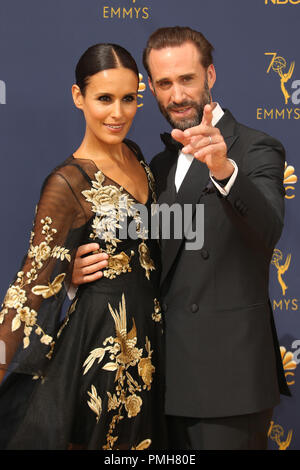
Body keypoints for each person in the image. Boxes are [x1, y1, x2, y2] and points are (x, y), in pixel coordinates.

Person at [72, 27, 291, 450]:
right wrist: (80, 269)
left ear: (210, 75)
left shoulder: (256, 148)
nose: (177, 96)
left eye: (187, 79)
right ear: (150, 87)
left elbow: (268, 227)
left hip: (227, 386)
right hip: (158, 382)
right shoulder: (156, 162)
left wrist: (224, 168)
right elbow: (148, 250)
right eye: (165, 84)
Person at [0, 43, 166, 450]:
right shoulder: (67, 182)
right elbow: (26, 293)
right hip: (103, 351)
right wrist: (64, 277)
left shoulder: (138, 157)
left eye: (129, 99)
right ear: (79, 97)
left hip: (152, 343)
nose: (118, 113)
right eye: (104, 99)